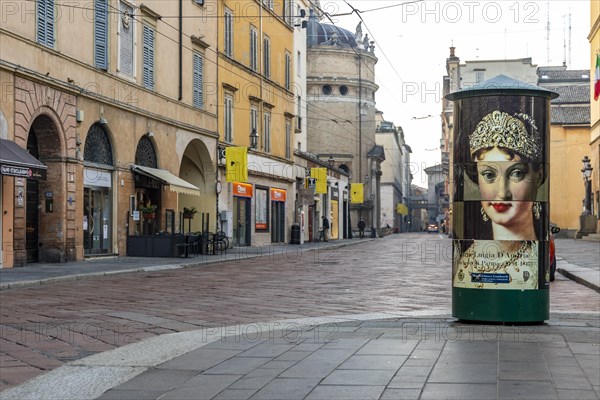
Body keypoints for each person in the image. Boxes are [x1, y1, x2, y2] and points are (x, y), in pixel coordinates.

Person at [454, 110, 546, 290]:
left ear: (538, 176)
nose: (502, 193)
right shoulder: (465, 261)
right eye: (488, 175)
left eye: (516, 173)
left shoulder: (536, 261)